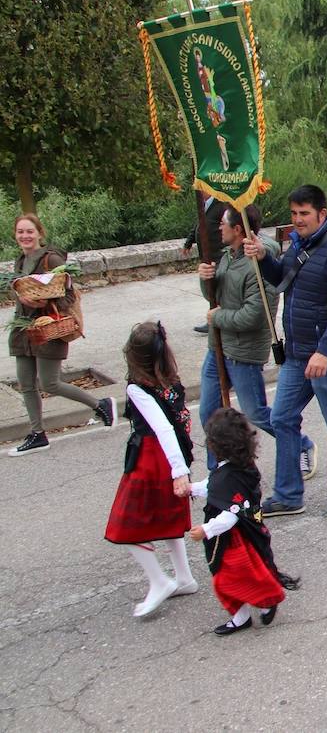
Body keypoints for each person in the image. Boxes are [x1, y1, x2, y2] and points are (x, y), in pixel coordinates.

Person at [244, 185, 327, 520]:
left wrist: (325, 351)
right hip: (298, 354)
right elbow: (283, 277)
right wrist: (264, 258)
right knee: (282, 418)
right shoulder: (299, 244)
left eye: (304, 214)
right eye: (294, 214)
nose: (298, 220)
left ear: (322, 214)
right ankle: (288, 495)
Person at [197, 204, 316, 477]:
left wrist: (217, 318)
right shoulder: (228, 255)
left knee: (257, 413)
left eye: (223, 224)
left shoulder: (258, 265)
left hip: (243, 351)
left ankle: (301, 444)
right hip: (217, 348)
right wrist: (206, 280)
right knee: (208, 414)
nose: (218, 228)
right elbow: (213, 298)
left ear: (238, 229)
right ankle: (219, 470)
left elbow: (254, 316)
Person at [104, 321, 197, 618]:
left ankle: (159, 580)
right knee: (168, 519)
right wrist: (180, 466)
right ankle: (183, 577)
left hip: (151, 460)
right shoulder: (171, 379)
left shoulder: (138, 388)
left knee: (126, 524)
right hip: (173, 458)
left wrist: (178, 470)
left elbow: (163, 428)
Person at [8, 214, 116, 456]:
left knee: (49, 383)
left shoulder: (51, 259)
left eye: (29, 231)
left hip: (48, 328)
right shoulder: (20, 261)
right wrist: (21, 298)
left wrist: (41, 302)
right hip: (23, 329)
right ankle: (38, 434)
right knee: (26, 384)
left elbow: (69, 296)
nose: (25, 236)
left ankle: (100, 405)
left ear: (39, 233)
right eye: (20, 232)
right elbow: (19, 291)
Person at [189, 408, 290, 636]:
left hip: (235, 541)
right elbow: (213, 486)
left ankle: (265, 601)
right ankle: (240, 616)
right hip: (237, 535)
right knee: (234, 577)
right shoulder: (237, 467)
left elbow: (230, 514)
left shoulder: (230, 475)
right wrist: (191, 489)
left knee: (230, 579)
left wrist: (206, 529)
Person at [183, 193, 229, 335]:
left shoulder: (220, 204)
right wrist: (189, 241)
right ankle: (214, 318)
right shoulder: (205, 204)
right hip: (208, 255)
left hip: (218, 254)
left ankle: (216, 320)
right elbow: (200, 225)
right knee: (209, 290)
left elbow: (228, 225)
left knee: (217, 290)